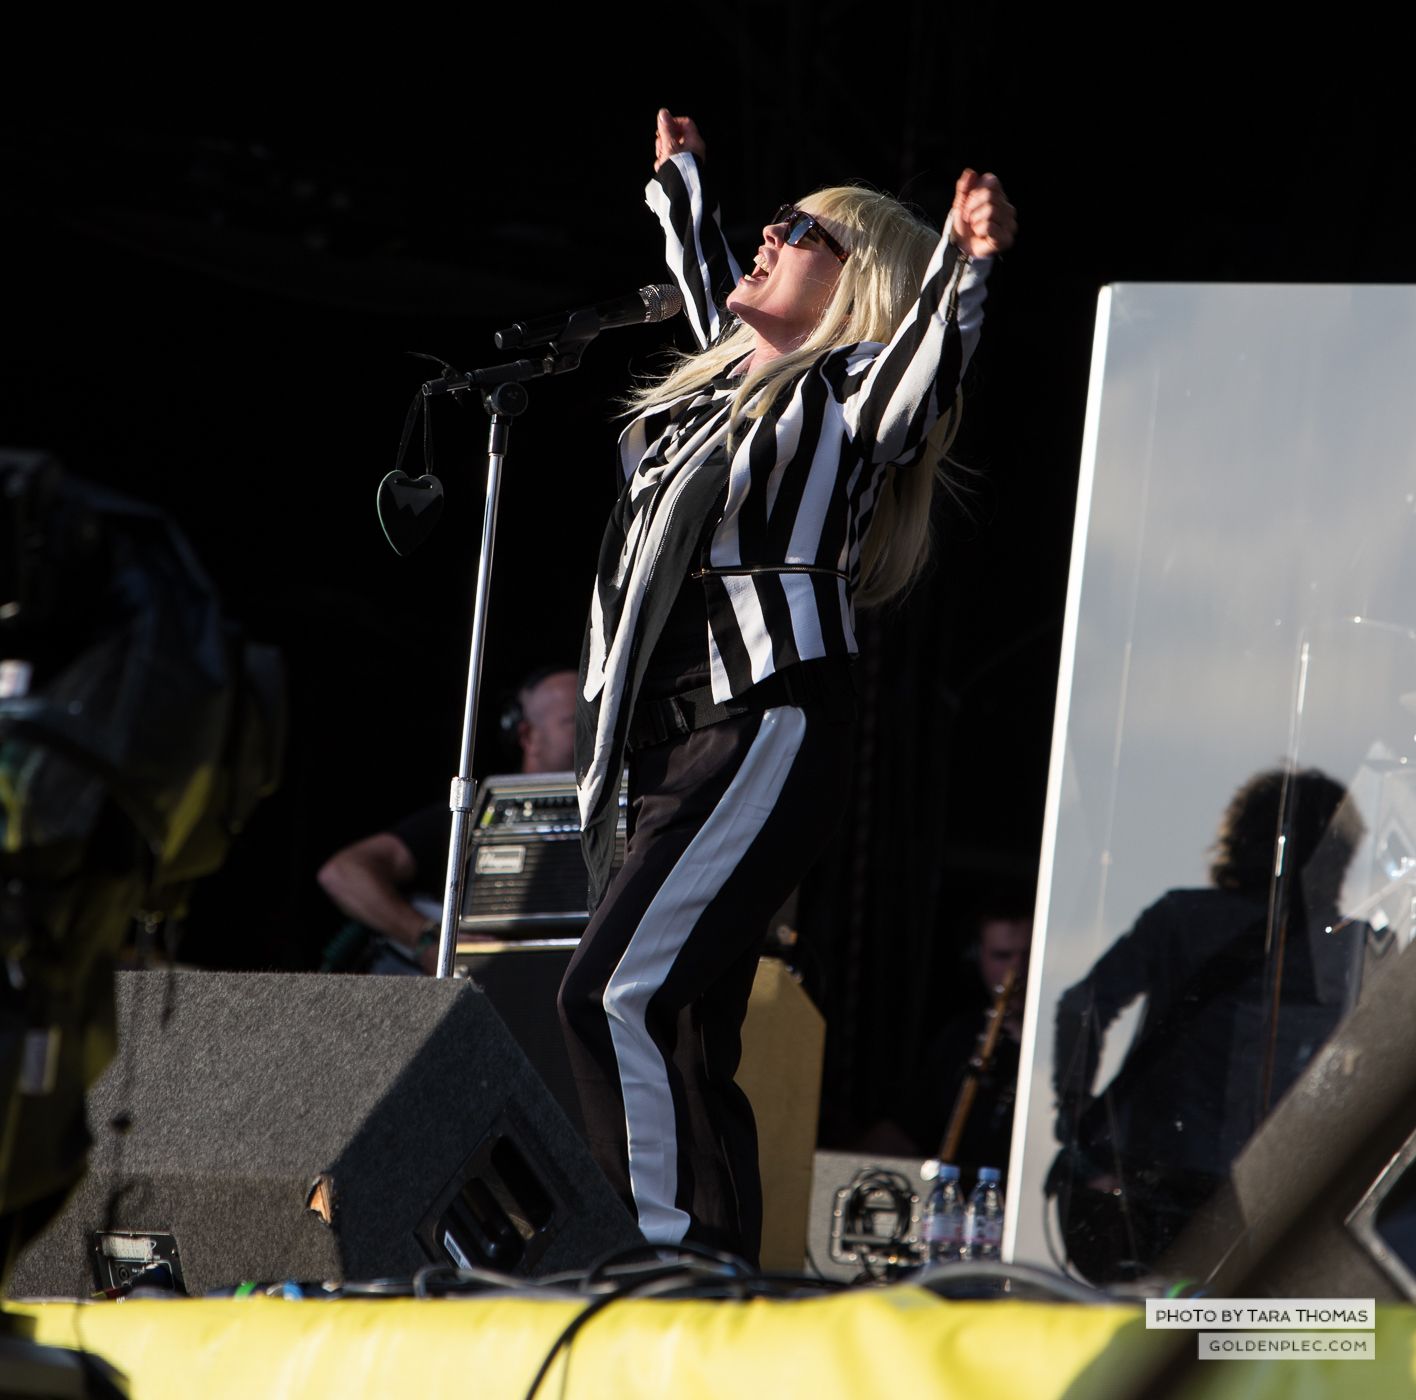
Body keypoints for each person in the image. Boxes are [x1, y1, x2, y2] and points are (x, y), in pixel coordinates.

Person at [558, 110, 1016, 1262]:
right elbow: (716, 280)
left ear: (860, 287)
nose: (771, 234)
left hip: (758, 716)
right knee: (683, 1031)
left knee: (616, 996)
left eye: (800, 228)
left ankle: (659, 1261)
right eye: (770, 221)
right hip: (657, 743)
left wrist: (963, 269)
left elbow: (925, 362)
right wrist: (687, 185)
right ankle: (710, 1271)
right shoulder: (728, 386)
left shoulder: (848, 396)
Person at [316, 666, 576, 974]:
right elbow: (343, 872)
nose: (598, 733)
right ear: (528, 736)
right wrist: (425, 937)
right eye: (577, 722)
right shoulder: (475, 816)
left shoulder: (625, 820)